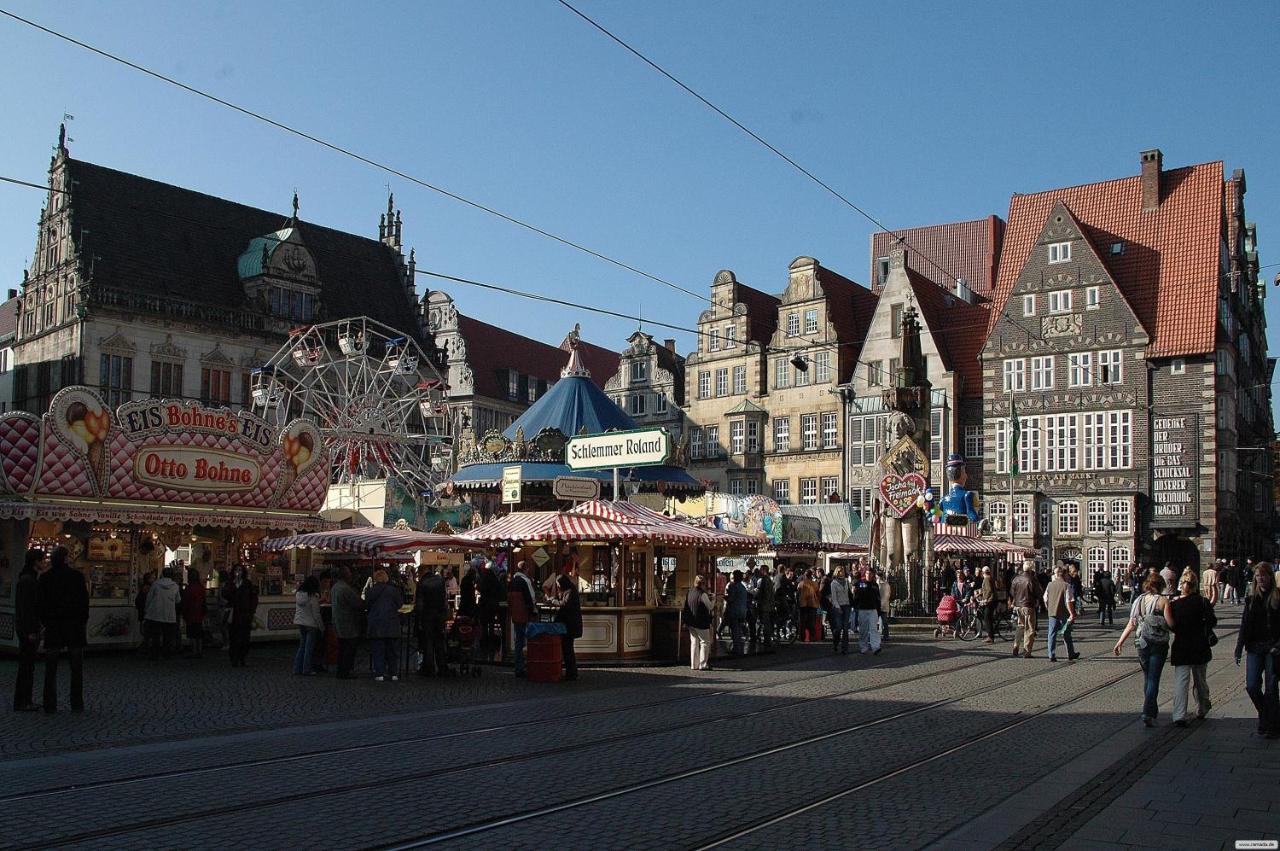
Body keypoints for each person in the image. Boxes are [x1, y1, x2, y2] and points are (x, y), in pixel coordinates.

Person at [1114, 573, 1171, 727]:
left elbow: (1131, 624)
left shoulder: (1138, 600)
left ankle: (1151, 710)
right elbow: (1170, 623)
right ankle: (1147, 712)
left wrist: (1120, 642)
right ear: (1160, 585)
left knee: (1148, 677)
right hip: (1158, 643)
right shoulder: (1163, 601)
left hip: (1141, 643)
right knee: (1154, 678)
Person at [37, 546, 88, 713]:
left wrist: (46, 621)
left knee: (50, 669)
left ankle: (49, 704)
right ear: (66, 559)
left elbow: (41, 604)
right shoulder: (76, 577)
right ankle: (76, 703)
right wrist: (82, 621)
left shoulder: (45, 578)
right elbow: (83, 602)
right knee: (76, 669)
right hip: (74, 626)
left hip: (54, 626)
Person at [1164, 567, 1215, 727]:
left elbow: (1171, 626)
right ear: (1195, 585)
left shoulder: (1174, 604)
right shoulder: (1202, 602)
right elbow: (1212, 622)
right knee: (1200, 681)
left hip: (1182, 646)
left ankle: (1179, 715)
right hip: (1200, 645)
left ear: (1181, 584)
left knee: (1181, 681)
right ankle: (1201, 708)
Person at [1235, 563, 1280, 738]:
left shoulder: (1277, 597)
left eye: (1263, 575)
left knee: (1271, 688)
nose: (1260, 578)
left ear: (1270, 576)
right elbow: (1245, 625)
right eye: (1257, 575)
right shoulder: (1251, 599)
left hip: (1273, 648)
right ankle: (1266, 715)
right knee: (1252, 686)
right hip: (1254, 647)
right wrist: (1239, 647)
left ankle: (1272, 725)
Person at [13, 549, 46, 712]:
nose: (44, 563)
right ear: (36, 562)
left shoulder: (26, 579)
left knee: (27, 666)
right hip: (28, 629)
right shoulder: (29, 581)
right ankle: (23, 701)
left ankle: (24, 700)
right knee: (27, 666)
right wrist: (31, 630)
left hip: (25, 627)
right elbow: (27, 609)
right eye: (42, 560)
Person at [363, 569, 403, 682]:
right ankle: (393, 673)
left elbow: (366, 605)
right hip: (391, 623)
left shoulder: (371, 591)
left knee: (378, 649)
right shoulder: (393, 590)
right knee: (392, 650)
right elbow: (399, 604)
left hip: (376, 624)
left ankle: (379, 673)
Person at [415, 564, 449, 677]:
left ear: (421, 572)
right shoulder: (440, 580)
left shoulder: (421, 583)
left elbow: (420, 604)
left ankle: (429, 668)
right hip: (440, 616)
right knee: (439, 642)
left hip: (427, 616)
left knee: (428, 643)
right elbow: (445, 599)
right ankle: (442, 667)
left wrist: (418, 619)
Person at [222, 565, 259, 668]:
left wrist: (251, 611)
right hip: (234, 614)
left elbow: (253, 598)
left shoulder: (247, 584)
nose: (238, 572)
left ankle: (242, 657)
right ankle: (234, 659)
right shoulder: (230, 583)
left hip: (244, 614)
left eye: (240, 570)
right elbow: (225, 594)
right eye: (236, 570)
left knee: (244, 638)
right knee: (233, 637)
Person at [330, 566, 363, 679]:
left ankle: (341, 670)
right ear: (346, 575)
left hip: (338, 621)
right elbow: (357, 603)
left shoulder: (335, 587)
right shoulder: (345, 589)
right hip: (348, 622)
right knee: (348, 649)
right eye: (349, 573)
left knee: (342, 648)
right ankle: (345, 671)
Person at [508, 557, 537, 677]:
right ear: (526, 569)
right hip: (524, 614)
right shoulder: (525, 581)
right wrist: (533, 610)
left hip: (515, 614)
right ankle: (522, 666)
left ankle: (518, 666)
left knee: (518, 640)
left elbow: (509, 597)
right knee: (526, 640)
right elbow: (531, 598)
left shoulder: (513, 580)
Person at [144, 568, 181, 660]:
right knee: (167, 636)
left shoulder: (156, 584)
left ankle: (155, 654)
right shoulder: (175, 586)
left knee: (155, 636)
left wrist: (146, 609)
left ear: (162, 574)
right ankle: (166, 654)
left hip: (155, 614)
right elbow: (178, 600)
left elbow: (149, 598)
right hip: (169, 615)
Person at [1043, 566, 1078, 662]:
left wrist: (1049, 608)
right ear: (1064, 575)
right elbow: (1068, 601)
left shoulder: (1049, 585)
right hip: (1064, 613)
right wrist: (1072, 613)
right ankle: (1070, 653)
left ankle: (1051, 654)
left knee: (1051, 634)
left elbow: (1045, 598)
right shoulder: (1066, 586)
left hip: (1052, 613)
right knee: (1067, 634)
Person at [292, 575, 324, 676]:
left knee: (302, 646)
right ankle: (307, 669)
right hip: (311, 624)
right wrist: (321, 627)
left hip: (300, 622)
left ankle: (297, 668)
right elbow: (316, 614)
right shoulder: (312, 597)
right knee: (309, 648)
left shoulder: (299, 595)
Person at [1010, 560, 1041, 659]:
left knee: (1020, 626)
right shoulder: (1031, 579)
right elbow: (1038, 592)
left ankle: (1016, 646)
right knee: (1029, 629)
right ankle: (1027, 651)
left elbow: (1012, 592)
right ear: (1031, 569)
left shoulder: (1016, 579)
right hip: (1028, 606)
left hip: (1018, 606)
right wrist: (1037, 600)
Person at [554, 573, 582, 680]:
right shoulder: (568, 590)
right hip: (570, 624)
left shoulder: (570, 591)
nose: (558, 587)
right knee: (567, 649)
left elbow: (565, 605)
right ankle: (571, 672)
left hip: (570, 625)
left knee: (568, 649)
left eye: (558, 584)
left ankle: (571, 673)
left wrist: (555, 601)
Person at [683, 575, 714, 671]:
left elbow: (686, 607)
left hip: (691, 622)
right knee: (705, 642)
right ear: (703, 584)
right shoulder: (702, 594)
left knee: (694, 643)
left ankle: (694, 664)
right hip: (701, 622)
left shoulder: (689, 592)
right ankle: (703, 664)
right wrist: (713, 599)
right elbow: (710, 607)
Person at [852, 567, 882, 655]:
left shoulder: (875, 585)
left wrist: (878, 609)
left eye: (870, 574)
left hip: (873, 609)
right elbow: (856, 595)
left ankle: (875, 647)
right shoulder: (860, 583)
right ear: (865, 574)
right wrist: (855, 605)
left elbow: (878, 598)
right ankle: (863, 647)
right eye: (867, 573)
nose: (868, 575)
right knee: (863, 629)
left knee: (873, 629)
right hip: (863, 609)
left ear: (873, 575)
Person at [181, 566, 206, 659]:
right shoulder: (201, 587)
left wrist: (184, 612)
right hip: (199, 613)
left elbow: (185, 602)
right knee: (199, 634)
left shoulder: (188, 588)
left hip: (191, 613)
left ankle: (194, 651)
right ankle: (199, 650)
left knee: (192, 634)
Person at [826, 567, 852, 655]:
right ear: (837, 572)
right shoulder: (834, 583)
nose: (842, 573)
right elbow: (834, 597)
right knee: (838, 627)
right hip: (838, 607)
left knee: (845, 628)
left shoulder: (846, 581)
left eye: (843, 571)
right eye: (840, 571)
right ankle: (835, 642)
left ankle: (845, 648)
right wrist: (838, 607)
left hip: (847, 605)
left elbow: (850, 592)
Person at [725, 570, 750, 656]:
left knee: (735, 631)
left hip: (734, 611)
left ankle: (736, 648)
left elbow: (730, 599)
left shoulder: (733, 586)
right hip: (742, 611)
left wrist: (725, 597)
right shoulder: (743, 587)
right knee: (738, 630)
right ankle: (739, 647)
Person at [753, 564, 775, 652]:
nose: (759, 571)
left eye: (761, 570)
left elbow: (765, 594)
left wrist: (760, 602)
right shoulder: (768, 579)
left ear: (763, 570)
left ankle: (767, 640)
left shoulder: (765, 580)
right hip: (768, 605)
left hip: (765, 606)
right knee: (765, 623)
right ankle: (765, 639)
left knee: (765, 624)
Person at [975, 566, 997, 644]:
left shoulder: (986, 579)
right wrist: (980, 594)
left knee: (987, 618)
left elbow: (989, 590)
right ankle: (990, 634)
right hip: (992, 600)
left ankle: (990, 636)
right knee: (988, 617)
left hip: (990, 601)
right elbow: (986, 590)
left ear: (983, 572)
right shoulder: (990, 577)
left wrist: (985, 599)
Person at [797, 569, 820, 643]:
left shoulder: (801, 583)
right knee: (812, 622)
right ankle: (812, 637)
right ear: (811, 575)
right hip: (812, 604)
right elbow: (818, 593)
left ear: (805, 575)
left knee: (802, 622)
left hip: (803, 604)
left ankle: (802, 637)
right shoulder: (815, 584)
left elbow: (798, 593)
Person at [133, 572, 153, 651]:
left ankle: (144, 647)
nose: (153, 579)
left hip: (143, 612)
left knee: (145, 631)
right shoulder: (148, 588)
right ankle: (145, 647)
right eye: (152, 578)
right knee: (147, 631)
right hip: (146, 612)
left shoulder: (144, 588)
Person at [878, 569, 893, 641]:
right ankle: (884, 635)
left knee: (884, 621)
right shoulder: (885, 584)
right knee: (884, 621)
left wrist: (881, 603)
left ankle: (885, 635)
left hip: (881, 605)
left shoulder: (884, 584)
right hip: (881, 605)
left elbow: (887, 595)